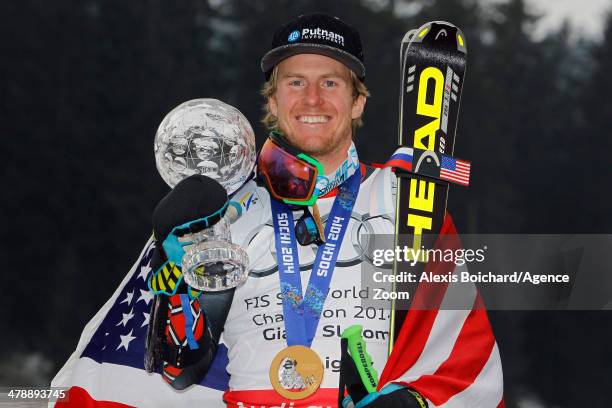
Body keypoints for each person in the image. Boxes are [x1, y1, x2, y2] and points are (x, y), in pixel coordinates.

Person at [52, 13, 504, 408]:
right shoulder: (227, 214)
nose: (312, 99)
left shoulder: (400, 203)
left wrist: (410, 403)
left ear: (358, 101)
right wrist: (172, 273)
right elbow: (180, 368)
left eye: (330, 82)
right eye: (295, 82)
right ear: (271, 101)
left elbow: (460, 354)